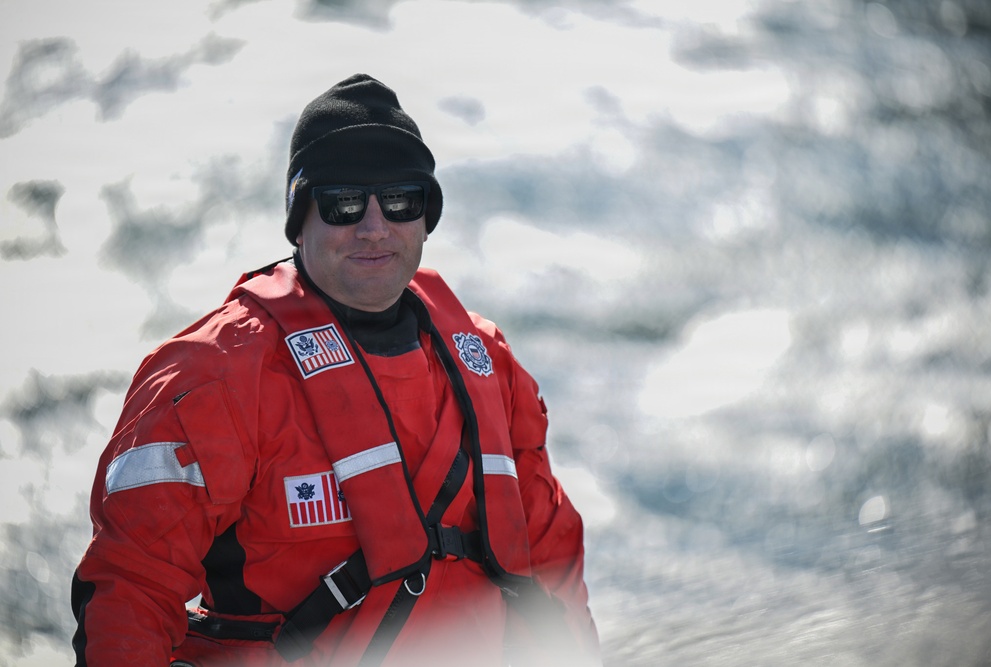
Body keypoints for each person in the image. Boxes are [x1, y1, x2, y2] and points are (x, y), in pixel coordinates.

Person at [71, 73, 601, 667]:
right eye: (344, 204)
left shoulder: (488, 361)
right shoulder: (213, 375)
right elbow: (130, 590)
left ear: (426, 217)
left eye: (400, 200)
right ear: (300, 221)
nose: (374, 226)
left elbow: (555, 561)